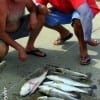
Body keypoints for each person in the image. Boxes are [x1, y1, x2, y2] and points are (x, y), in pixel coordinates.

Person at [36, 0, 100, 65]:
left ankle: (83, 48)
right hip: (65, 9)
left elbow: (85, 13)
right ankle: (64, 33)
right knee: (39, 16)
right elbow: (38, 4)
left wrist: (88, 39)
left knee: (79, 20)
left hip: (85, 9)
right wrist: (40, 7)